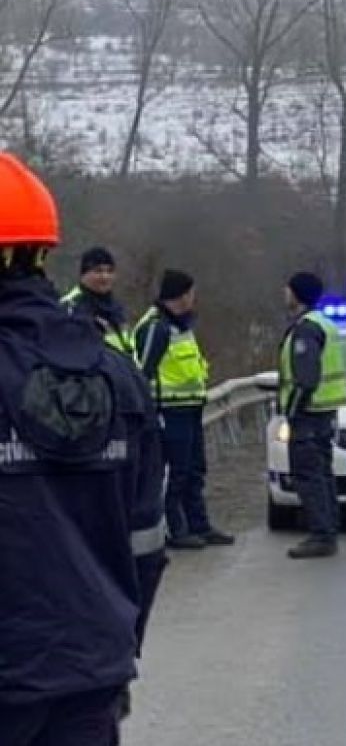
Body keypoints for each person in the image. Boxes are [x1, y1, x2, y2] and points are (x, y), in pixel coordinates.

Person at [0, 153, 166, 744]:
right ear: (40, 251)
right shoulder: (117, 373)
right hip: (90, 676)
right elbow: (147, 542)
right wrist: (115, 650)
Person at [133, 270, 232, 551]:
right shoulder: (157, 327)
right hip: (169, 412)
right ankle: (176, 530)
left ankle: (199, 525)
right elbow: (143, 371)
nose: (194, 299)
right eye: (191, 293)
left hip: (190, 409)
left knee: (194, 470)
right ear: (181, 295)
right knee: (176, 473)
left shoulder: (181, 326)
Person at [279, 272, 346, 560]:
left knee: (308, 475)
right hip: (324, 412)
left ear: (296, 294)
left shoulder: (306, 330)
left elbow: (306, 379)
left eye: (287, 290)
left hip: (308, 414)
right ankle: (329, 527)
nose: (284, 294)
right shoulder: (326, 324)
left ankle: (321, 535)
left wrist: (292, 412)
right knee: (322, 473)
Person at [60, 246, 138, 357]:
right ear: (84, 275)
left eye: (109, 271)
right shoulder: (71, 307)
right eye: (98, 271)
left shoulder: (116, 309)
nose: (104, 277)